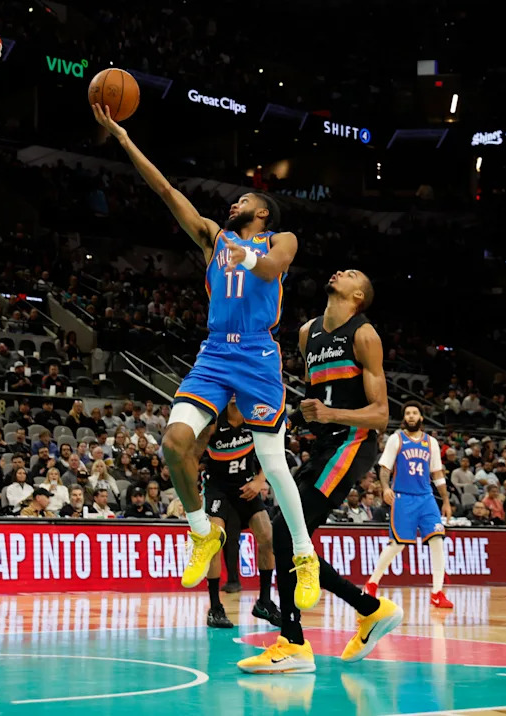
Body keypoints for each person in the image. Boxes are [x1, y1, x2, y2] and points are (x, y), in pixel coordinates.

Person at [93, 102, 321, 605]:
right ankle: (201, 532)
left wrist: (247, 253)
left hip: (259, 354)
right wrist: (124, 139)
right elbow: (166, 191)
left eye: (242, 199)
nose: (232, 204)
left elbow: (273, 265)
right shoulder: (213, 240)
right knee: (174, 443)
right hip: (215, 354)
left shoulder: (279, 238)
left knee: (272, 460)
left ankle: (304, 555)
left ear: (260, 211)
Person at [238, 269, 400, 674]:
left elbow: (381, 415)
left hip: (353, 444)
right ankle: (369, 609)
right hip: (324, 445)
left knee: (283, 531)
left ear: (358, 294)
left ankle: (294, 642)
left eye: (352, 274)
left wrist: (331, 414)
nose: (341, 272)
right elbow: (315, 402)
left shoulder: (364, 336)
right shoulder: (308, 332)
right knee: (290, 535)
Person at [197, 399, 281, 630]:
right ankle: (215, 608)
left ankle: (264, 601)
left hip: (246, 486)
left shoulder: (255, 417)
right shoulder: (213, 420)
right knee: (214, 541)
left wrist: (259, 480)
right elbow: (193, 455)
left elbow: (271, 453)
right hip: (218, 489)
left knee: (267, 536)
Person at [367, 402, 454, 609]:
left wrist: (447, 501)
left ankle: (437, 593)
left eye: (415, 413)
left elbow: (437, 474)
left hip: (426, 498)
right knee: (397, 544)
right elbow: (385, 467)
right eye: (408, 413)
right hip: (403, 497)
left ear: (421, 417)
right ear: (404, 418)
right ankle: (372, 583)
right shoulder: (396, 439)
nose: (412, 416)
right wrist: (386, 488)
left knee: (438, 541)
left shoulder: (430, 442)